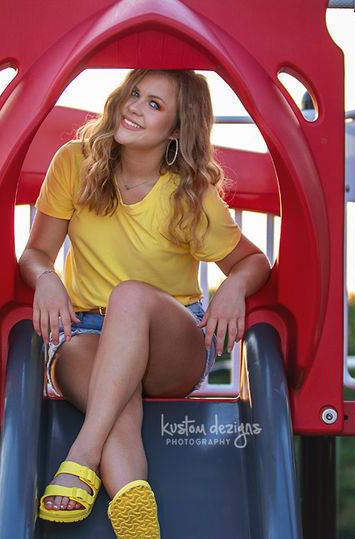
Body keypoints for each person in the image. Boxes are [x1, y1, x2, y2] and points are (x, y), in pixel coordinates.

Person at [18, 69, 270, 537]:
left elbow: (253, 261)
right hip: (87, 335)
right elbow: (35, 253)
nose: (134, 107)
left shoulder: (190, 195)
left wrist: (233, 286)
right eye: (135, 94)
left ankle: (82, 456)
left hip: (170, 345)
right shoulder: (74, 162)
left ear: (176, 130)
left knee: (130, 296)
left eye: (155, 105)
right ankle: (138, 520)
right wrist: (47, 278)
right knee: (114, 394)